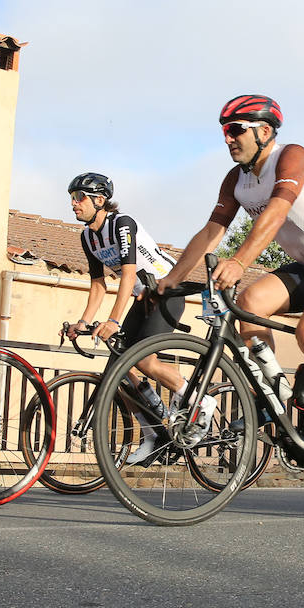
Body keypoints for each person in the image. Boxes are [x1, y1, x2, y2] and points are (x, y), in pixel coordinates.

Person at [158, 95, 304, 471]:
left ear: (264, 131)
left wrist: (241, 260)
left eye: (235, 130)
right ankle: (274, 396)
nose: (228, 139)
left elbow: (278, 211)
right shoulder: (236, 180)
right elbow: (212, 230)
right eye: (224, 132)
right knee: (249, 305)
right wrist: (170, 280)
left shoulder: (292, 156)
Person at [61, 172, 212, 464]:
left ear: (99, 200)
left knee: (143, 361)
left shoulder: (122, 224)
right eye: (71, 198)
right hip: (142, 299)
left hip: (166, 292)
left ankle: (198, 400)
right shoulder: (88, 237)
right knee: (118, 367)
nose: (73, 204)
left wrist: (113, 321)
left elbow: (128, 275)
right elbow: (98, 284)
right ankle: (153, 431)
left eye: (79, 198)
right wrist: (83, 321)